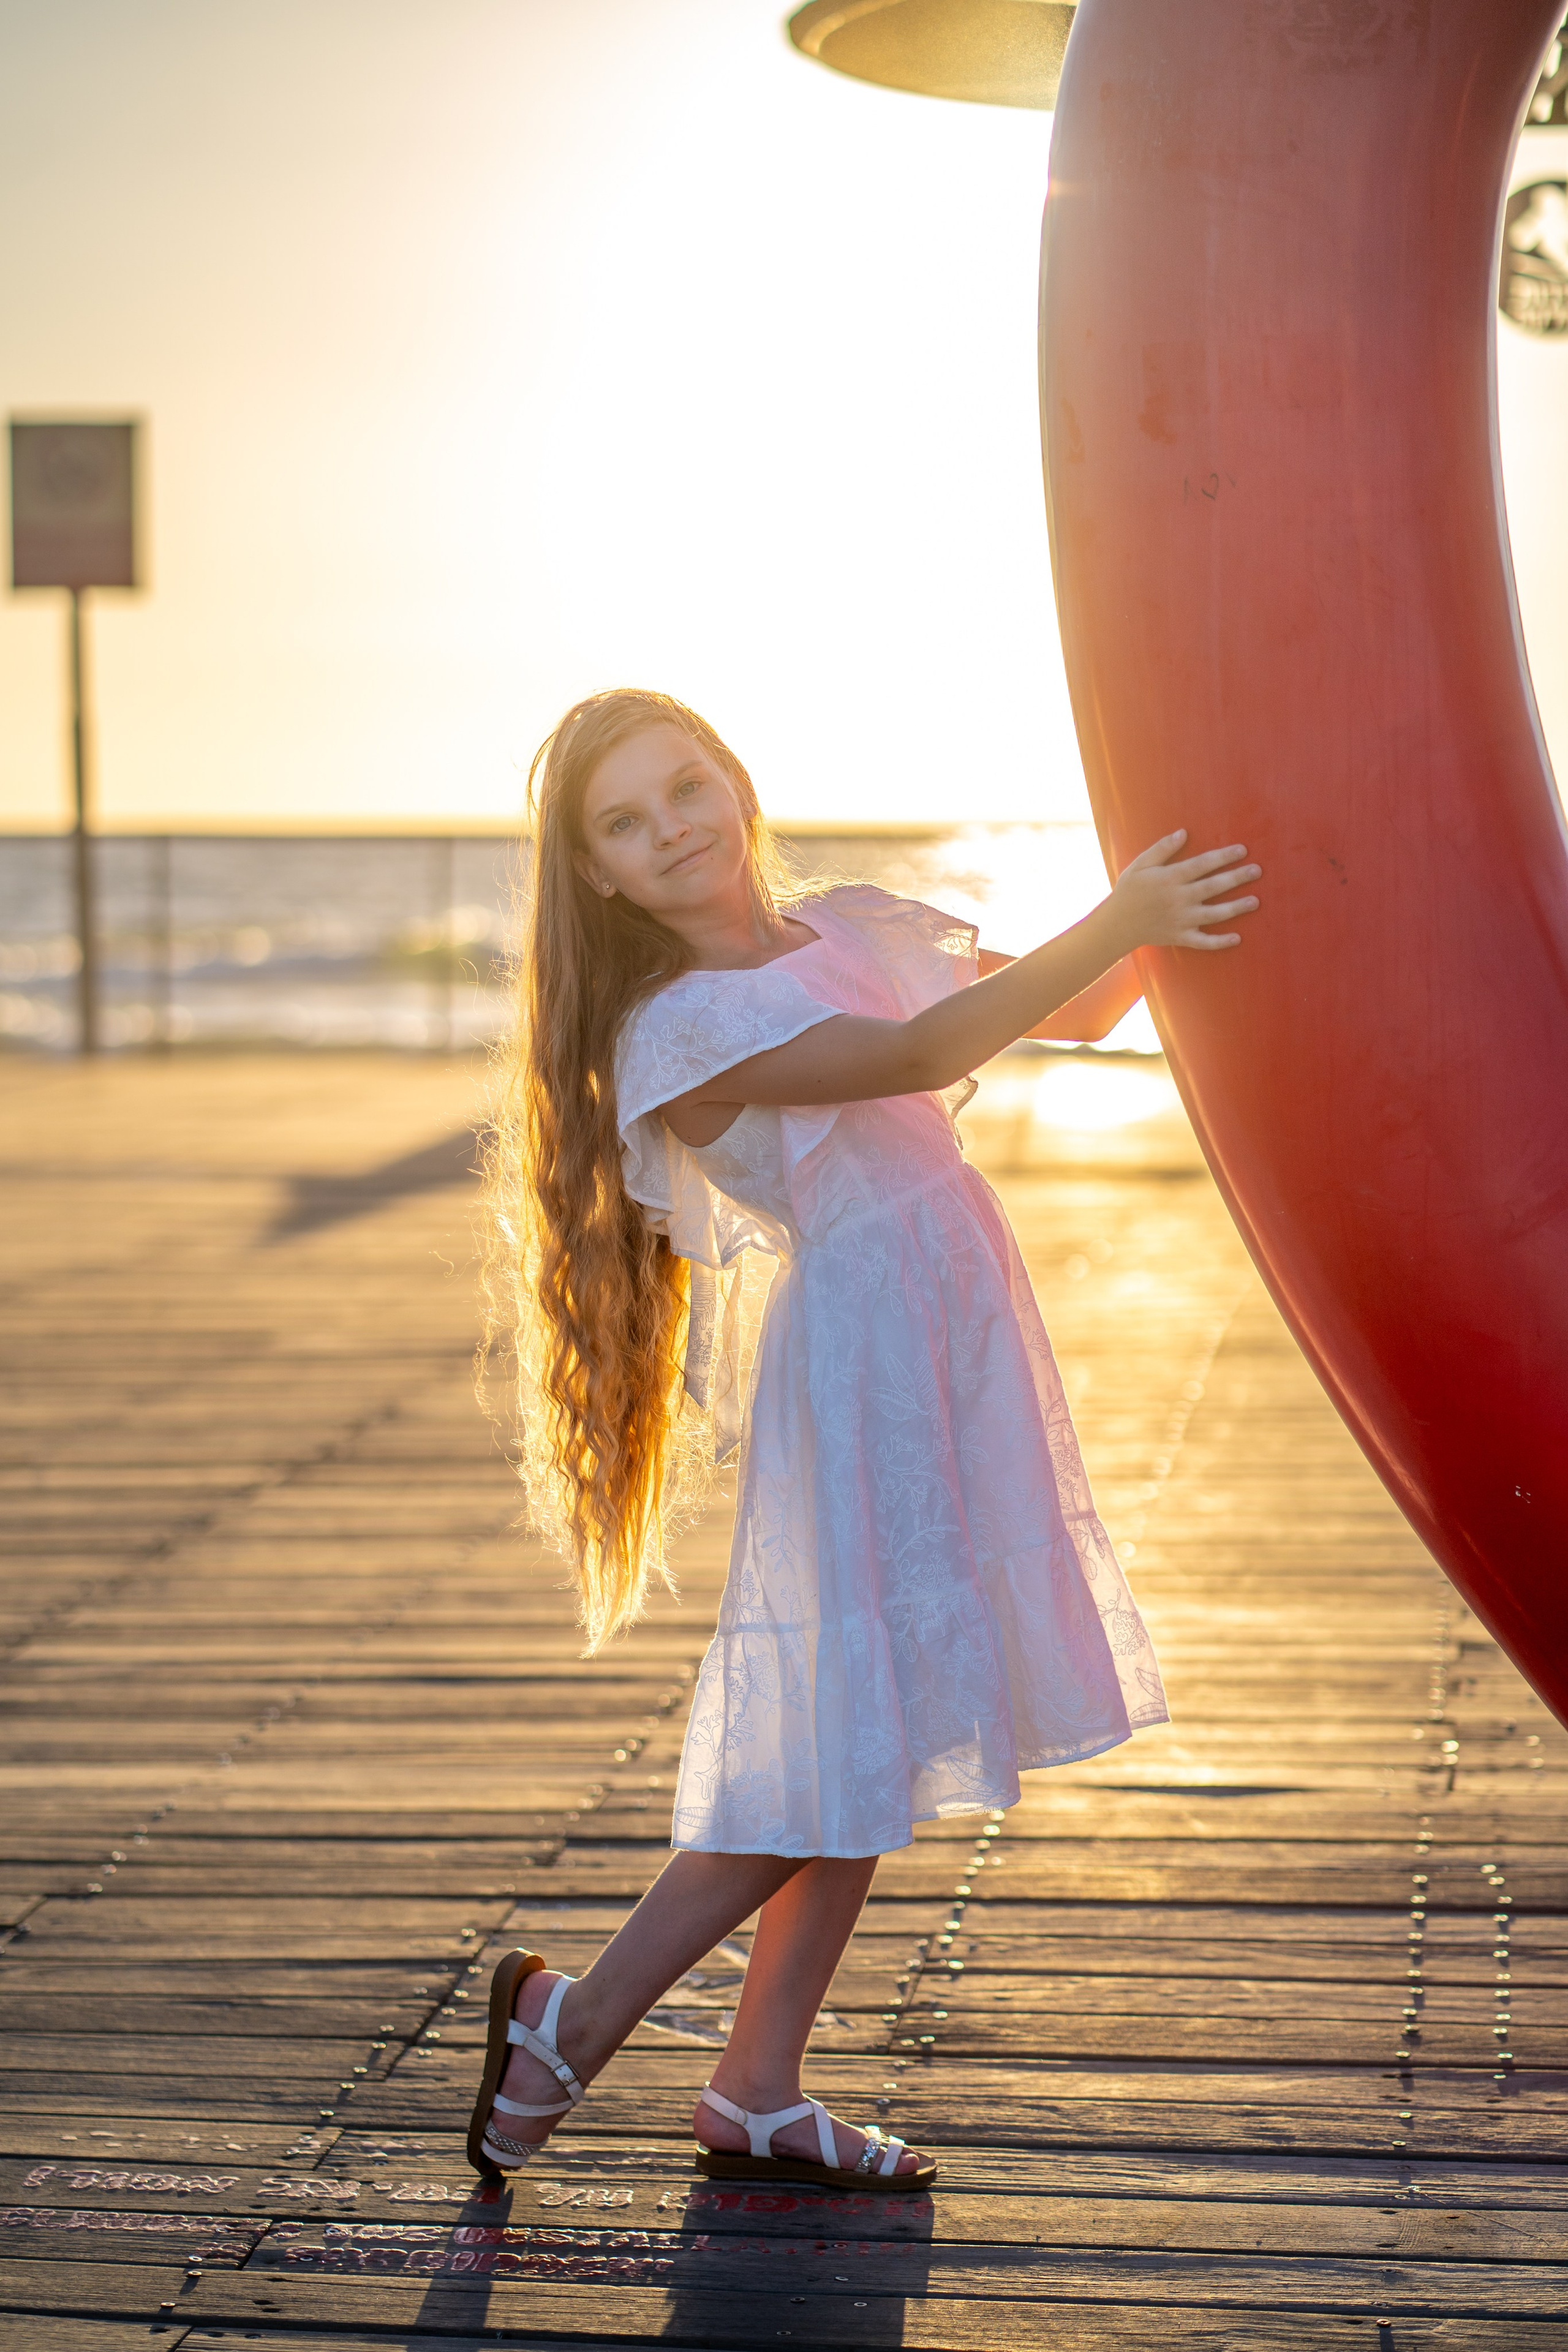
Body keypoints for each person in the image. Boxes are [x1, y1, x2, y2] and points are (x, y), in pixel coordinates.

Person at [473, 688, 1261, 2191]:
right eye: (627, 824)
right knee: (840, 1732)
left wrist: (1194, 877)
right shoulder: (679, 1026)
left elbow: (1077, 1006)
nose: (673, 829)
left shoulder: (844, 918)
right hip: (864, 1355)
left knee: (875, 1726)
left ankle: (758, 2084)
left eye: (685, 786)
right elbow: (925, 1054)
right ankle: (572, 2022)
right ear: (601, 877)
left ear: (733, 779)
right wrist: (1122, 914)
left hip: (954, 1329)